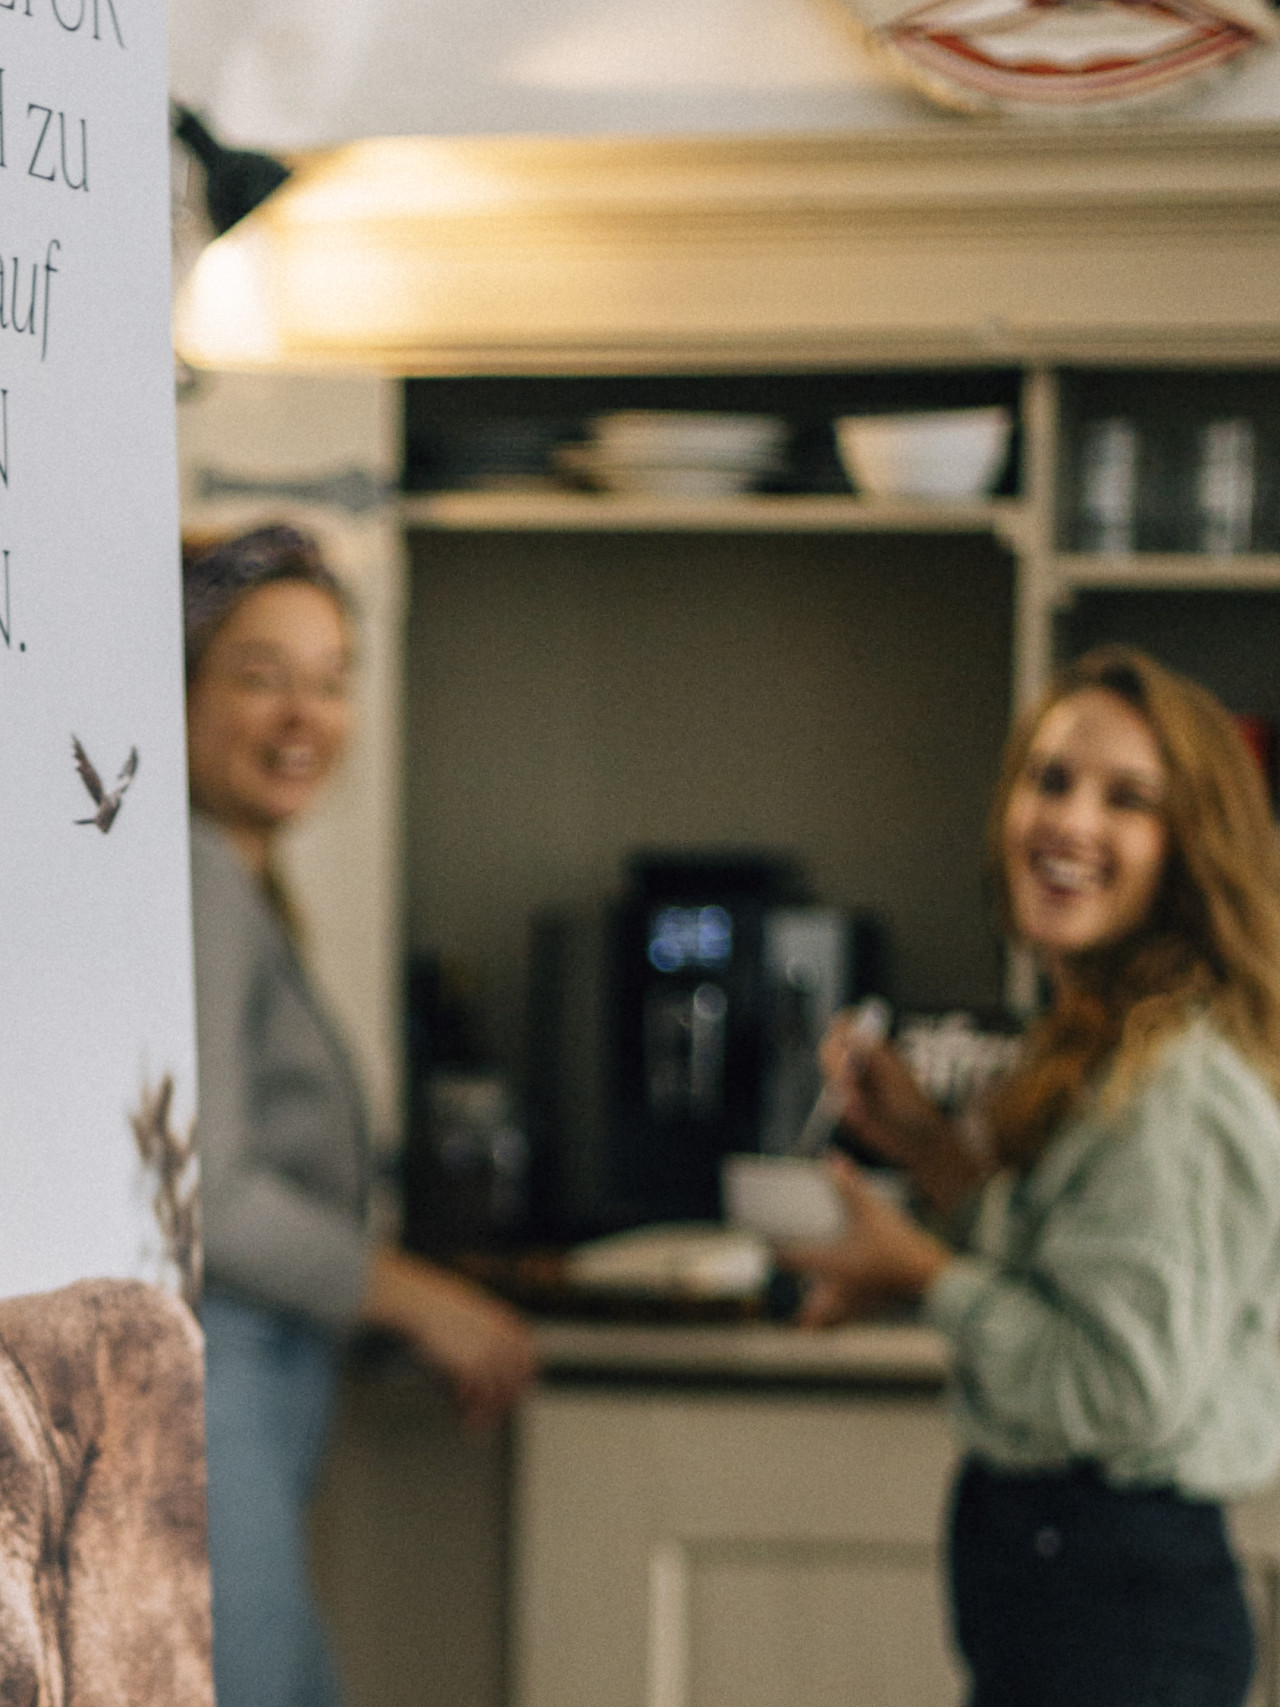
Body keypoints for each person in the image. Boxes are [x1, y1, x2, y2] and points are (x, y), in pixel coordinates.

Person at [784, 645, 1280, 1707]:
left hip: (1121, 1623)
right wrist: (928, 1148)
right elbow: (1067, 1281)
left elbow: (1119, 1393)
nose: (1068, 822)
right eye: (1049, 779)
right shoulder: (1098, 1044)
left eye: (1127, 800)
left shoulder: (1170, 1088)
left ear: (1187, 851)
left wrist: (922, 1276)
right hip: (1079, 1607)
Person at [184, 525, 536, 1707]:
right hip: (213, 1381)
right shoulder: (190, 879)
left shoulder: (236, 886)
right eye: (259, 676)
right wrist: (423, 1301)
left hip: (261, 1384)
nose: (303, 718)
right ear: (178, 687)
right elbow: (207, 1195)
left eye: (330, 682)